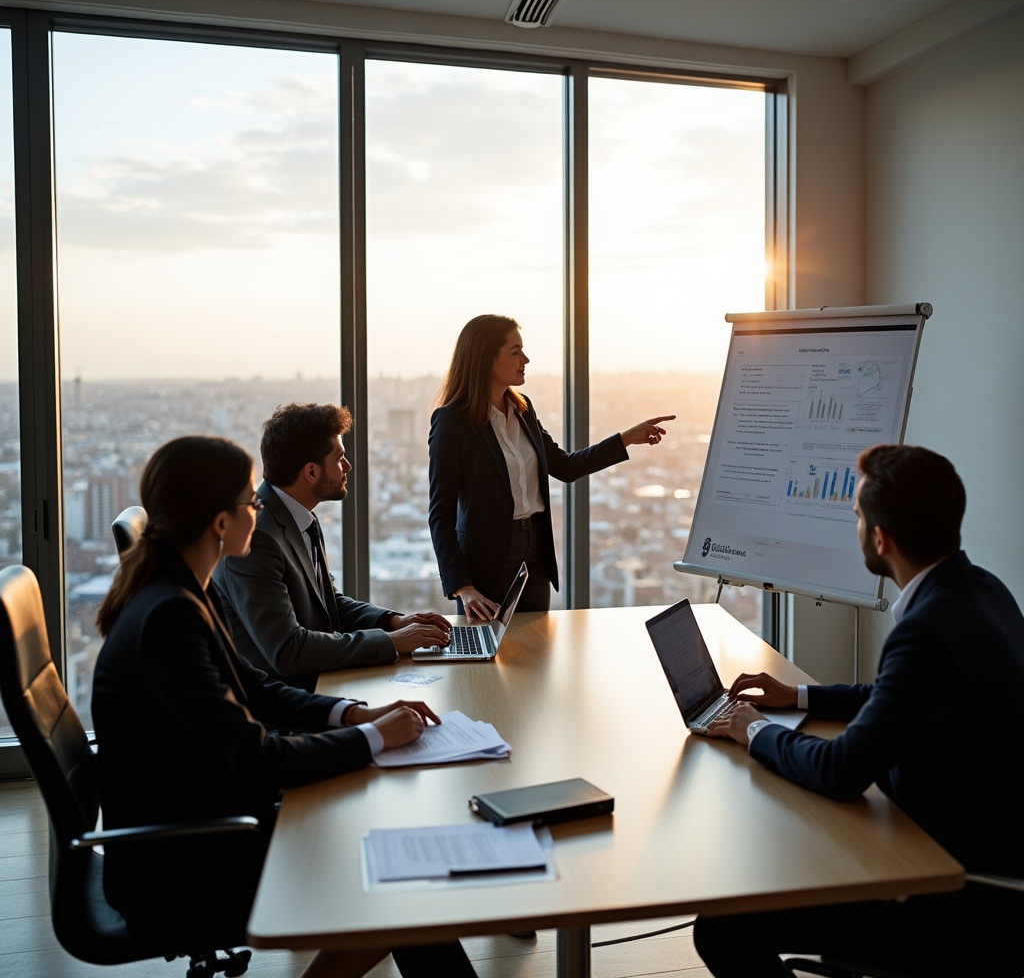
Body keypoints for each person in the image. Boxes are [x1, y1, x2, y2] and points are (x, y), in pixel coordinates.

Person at [92, 435, 477, 978]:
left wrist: (353, 715)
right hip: (186, 860)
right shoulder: (169, 617)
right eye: (250, 501)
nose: (259, 508)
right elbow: (257, 758)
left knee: (404, 874)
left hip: (209, 819)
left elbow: (254, 686)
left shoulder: (179, 591)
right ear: (220, 523)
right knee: (406, 881)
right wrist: (373, 739)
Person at [693, 444, 1024, 978]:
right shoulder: (982, 590)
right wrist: (798, 697)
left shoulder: (927, 627)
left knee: (722, 926)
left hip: (953, 892)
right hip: (976, 854)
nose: (855, 525)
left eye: (856, 516)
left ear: (879, 538)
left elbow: (840, 771)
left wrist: (754, 731)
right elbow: (900, 695)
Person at [428, 314, 674, 617]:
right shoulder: (453, 422)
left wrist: (625, 439)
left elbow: (564, 467)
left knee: (535, 648)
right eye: (515, 352)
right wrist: (462, 587)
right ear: (486, 360)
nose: (526, 359)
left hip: (534, 554)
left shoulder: (523, 409)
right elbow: (440, 514)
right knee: (488, 654)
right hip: (485, 562)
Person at [213, 403, 451, 691]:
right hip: (287, 705)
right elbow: (288, 652)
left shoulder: (298, 516)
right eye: (339, 458)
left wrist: (393, 621)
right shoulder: (257, 537)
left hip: (322, 681)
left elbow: (329, 604)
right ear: (311, 472)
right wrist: (392, 642)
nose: (348, 466)